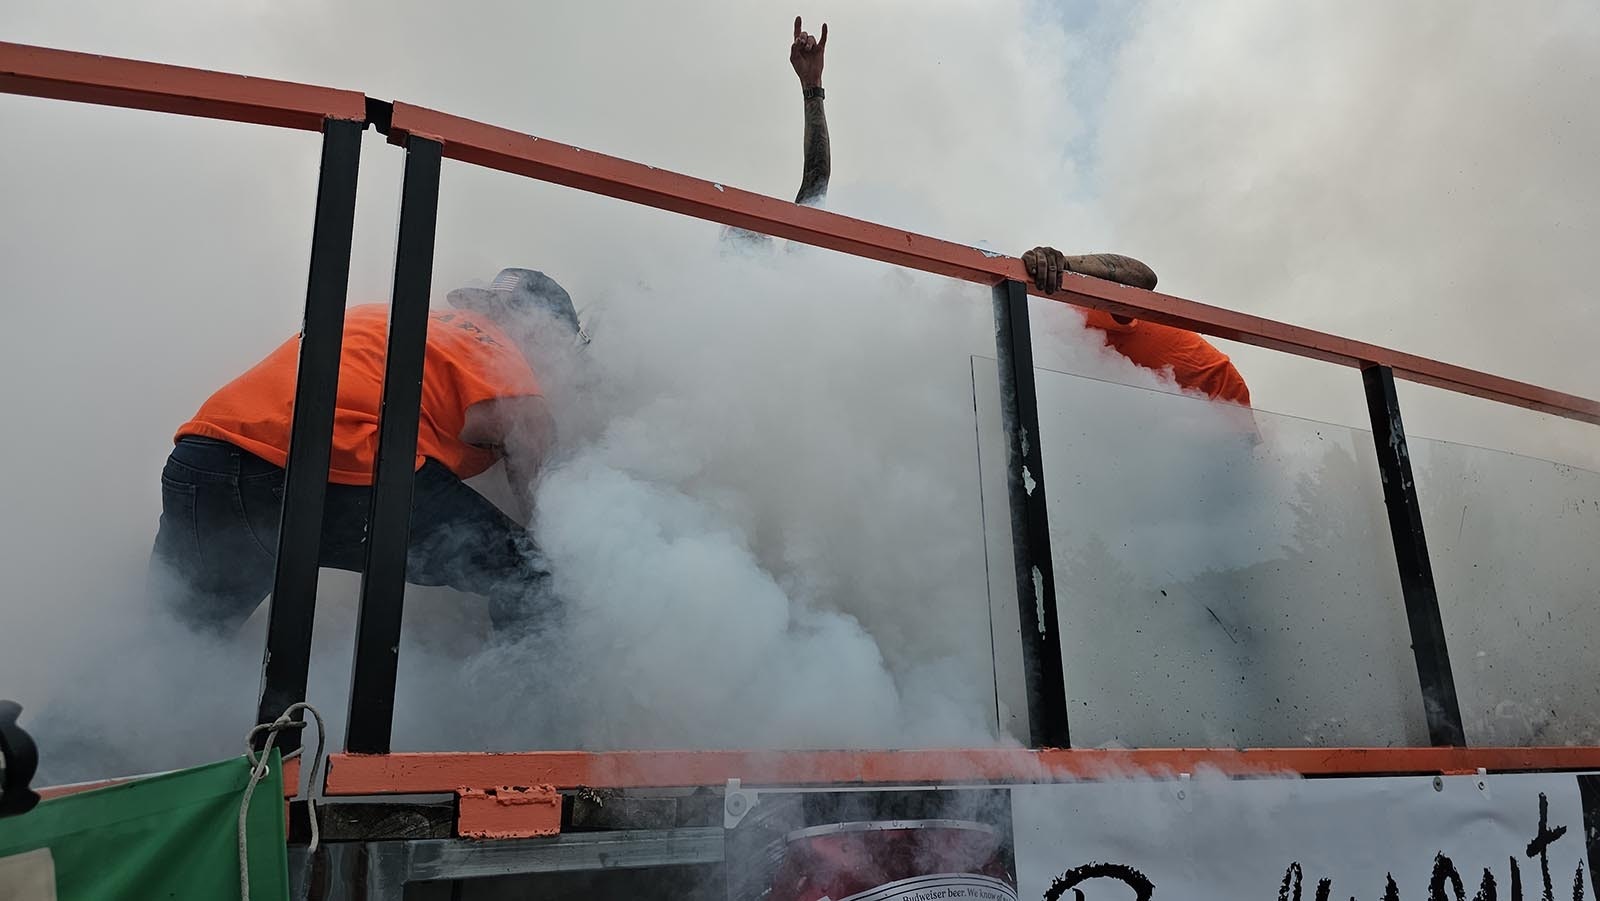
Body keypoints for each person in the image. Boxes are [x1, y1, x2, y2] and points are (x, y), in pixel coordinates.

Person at [151, 268, 581, 636]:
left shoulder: (383, 315)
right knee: (532, 577)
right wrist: (566, 555)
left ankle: (112, 727)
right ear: (542, 332)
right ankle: (531, 728)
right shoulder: (507, 362)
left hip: (206, 455)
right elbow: (541, 482)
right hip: (340, 467)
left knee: (179, 638)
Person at [1021, 246, 1252, 406]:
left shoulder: (1067, 308)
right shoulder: (1049, 356)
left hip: (1219, 394)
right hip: (1172, 408)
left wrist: (1062, 263)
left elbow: (1143, 277)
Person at [722, 16, 832, 248]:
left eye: (757, 233)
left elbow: (816, 179)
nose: (753, 235)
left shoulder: (785, 279)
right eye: (743, 234)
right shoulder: (689, 281)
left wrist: (812, 88)